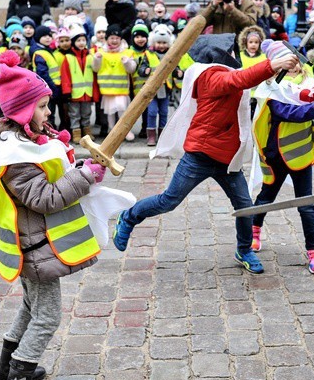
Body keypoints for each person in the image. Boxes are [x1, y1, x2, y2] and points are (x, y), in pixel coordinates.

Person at [0, 49, 127, 380]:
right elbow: (46, 198)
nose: (49, 113)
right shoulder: (14, 156)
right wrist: (84, 176)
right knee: (47, 316)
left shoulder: (24, 143)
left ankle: (7, 370)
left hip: (35, 244)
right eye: (43, 106)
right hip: (34, 248)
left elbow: (51, 175)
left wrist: (78, 168)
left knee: (32, 308)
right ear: (22, 110)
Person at [112, 34, 301, 274]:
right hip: (200, 155)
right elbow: (239, 79)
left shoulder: (222, 72)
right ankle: (129, 217)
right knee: (169, 200)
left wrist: (278, 67)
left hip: (227, 159)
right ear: (219, 54)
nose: (236, 54)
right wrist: (274, 65)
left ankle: (244, 250)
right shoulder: (210, 75)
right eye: (231, 51)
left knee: (244, 206)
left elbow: (249, 80)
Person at [250, 40, 314, 274]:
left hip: (301, 153)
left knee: (305, 204)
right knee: (266, 197)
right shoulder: (271, 89)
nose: (293, 66)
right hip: (276, 154)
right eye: (286, 64)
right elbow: (291, 112)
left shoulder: (311, 83)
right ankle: (254, 230)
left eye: (294, 62)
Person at [91, 24, 136, 142]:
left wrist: (127, 62)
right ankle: (112, 130)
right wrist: (97, 59)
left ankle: (125, 131)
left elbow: (132, 69)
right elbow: (95, 69)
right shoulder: (100, 52)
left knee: (123, 110)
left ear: (121, 39)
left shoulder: (127, 52)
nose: (114, 40)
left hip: (121, 89)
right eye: (111, 38)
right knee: (110, 111)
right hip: (107, 89)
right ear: (107, 39)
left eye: (117, 38)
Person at [137, 24, 178, 145]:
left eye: (164, 43)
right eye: (158, 42)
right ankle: (151, 136)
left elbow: (175, 69)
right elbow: (141, 68)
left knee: (164, 112)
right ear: (153, 42)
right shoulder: (148, 54)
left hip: (166, 88)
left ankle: (162, 135)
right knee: (152, 112)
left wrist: (179, 73)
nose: (161, 45)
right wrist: (145, 71)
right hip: (152, 90)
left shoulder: (171, 55)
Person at [61, 25, 100, 143]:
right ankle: (76, 132)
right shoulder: (68, 57)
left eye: (83, 40)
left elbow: (93, 75)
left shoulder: (90, 56)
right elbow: (65, 75)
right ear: (74, 42)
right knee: (74, 114)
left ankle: (87, 133)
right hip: (74, 93)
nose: (81, 42)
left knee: (86, 113)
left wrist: (94, 92)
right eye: (78, 40)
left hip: (87, 92)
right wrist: (67, 91)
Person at [127, 22, 151, 139]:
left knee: (146, 110)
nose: (140, 39)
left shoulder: (150, 53)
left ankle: (145, 128)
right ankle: (127, 130)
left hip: (146, 86)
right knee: (131, 111)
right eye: (137, 37)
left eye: (143, 36)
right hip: (131, 87)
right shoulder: (129, 52)